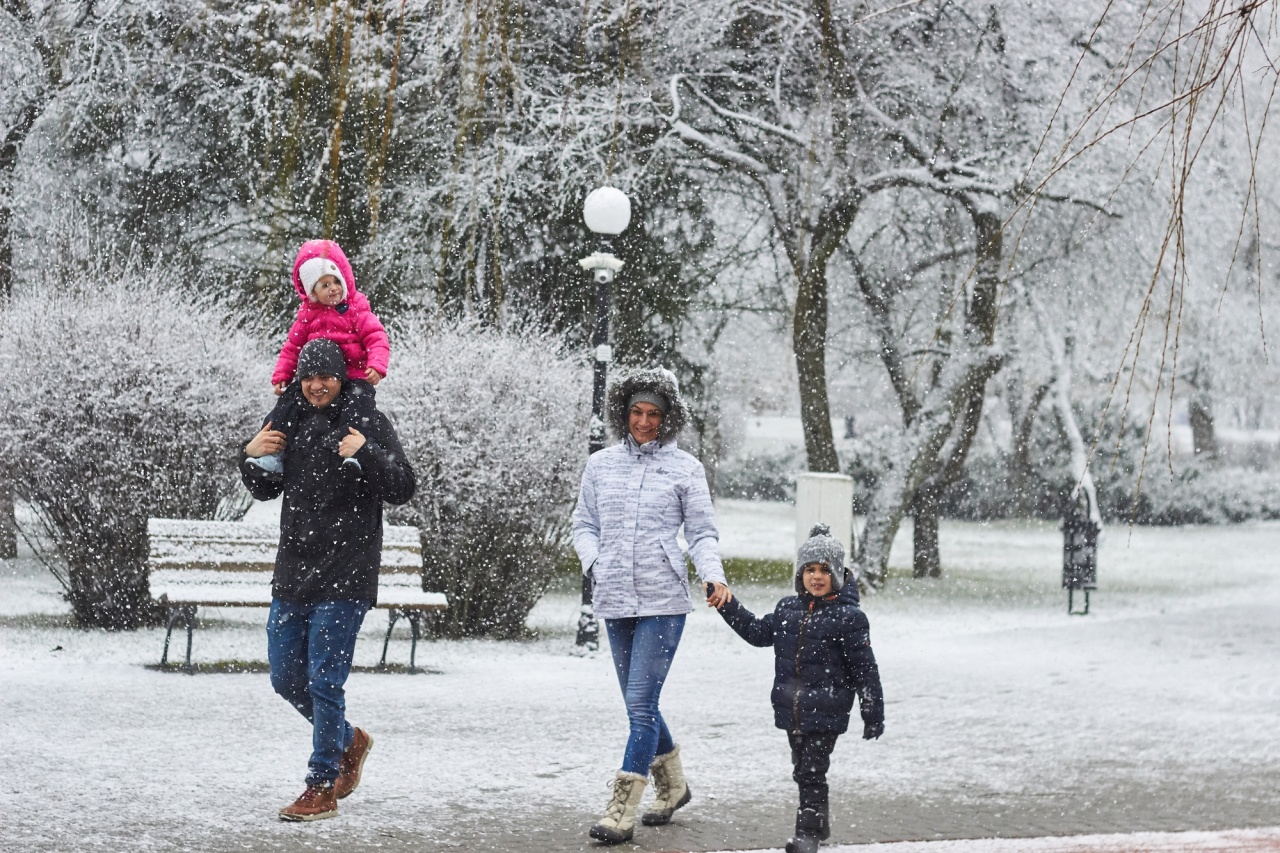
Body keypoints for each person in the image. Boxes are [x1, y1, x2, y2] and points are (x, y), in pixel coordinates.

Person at [240, 337, 416, 822]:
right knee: (283, 676)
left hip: (347, 573)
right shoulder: (288, 419)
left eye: (326, 377)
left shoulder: (367, 421)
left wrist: (369, 453)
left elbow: (403, 485)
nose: (317, 386)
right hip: (293, 571)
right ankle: (349, 740)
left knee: (324, 682)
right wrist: (248, 454)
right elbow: (264, 487)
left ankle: (320, 785)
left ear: (342, 378)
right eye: (309, 377)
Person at [570, 366, 732, 844]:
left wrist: (713, 575)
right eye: (637, 413)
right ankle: (674, 785)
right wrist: (595, 562)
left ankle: (622, 808)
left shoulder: (685, 468)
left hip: (664, 598)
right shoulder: (601, 465)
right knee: (638, 703)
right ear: (625, 414)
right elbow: (583, 524)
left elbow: (701, 533)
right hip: (615, 596)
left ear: (668, 417)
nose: (644, 422)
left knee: (640, 706)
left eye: (653, 414)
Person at [713, 524, 885, 853]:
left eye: (824, 570)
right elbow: (756, 632)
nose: (816, 577)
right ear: (800, 574)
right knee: (801, 770)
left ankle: (807, 836)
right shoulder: (786, 610)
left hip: (827, 710)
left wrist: (872, 711)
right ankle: (818, 823)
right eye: (810, 569)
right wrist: (727, 605)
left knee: (810, 772)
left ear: (837, 574)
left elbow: (865, 669)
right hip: (792, 710)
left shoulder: (849, 618)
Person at [249, 239, 390, 478]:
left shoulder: (356, 309)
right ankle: (273, 454)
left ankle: (353, 455)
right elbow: (292, 347)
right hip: (316, 376)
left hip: (354, 376)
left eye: (337, 281)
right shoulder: (306, 316)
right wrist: (282, 374)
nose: (333, 288)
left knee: (358, 411)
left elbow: (376, 338)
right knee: (285, 406)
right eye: (324, 285)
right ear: (311, 291)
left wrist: (376, 365)